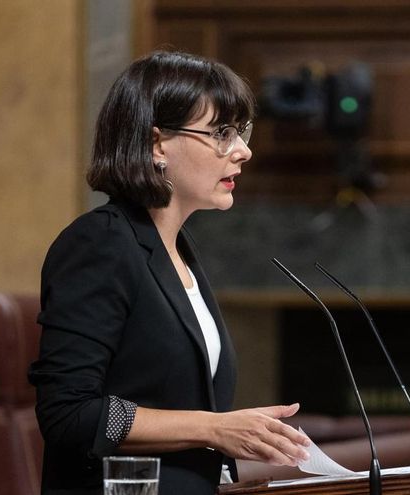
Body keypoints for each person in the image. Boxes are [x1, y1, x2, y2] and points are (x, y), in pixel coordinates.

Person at [28, 50, 311, 495]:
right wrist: (214, 429)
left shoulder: (179, 248)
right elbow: (69, 412)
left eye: (241, 131)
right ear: (157, 144)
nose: (243, 150)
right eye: (221, 133)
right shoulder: (100, 244)